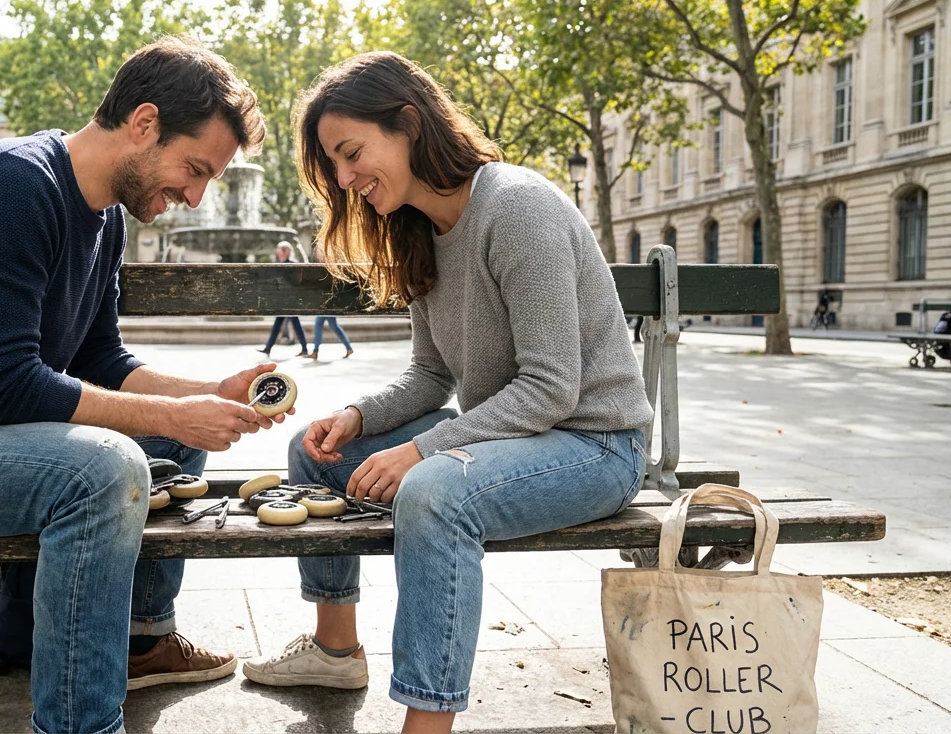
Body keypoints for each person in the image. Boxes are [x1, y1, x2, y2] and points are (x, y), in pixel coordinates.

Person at [0, 36, 286, 734]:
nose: (195, 196)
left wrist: (213, 394)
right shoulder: (13, 185)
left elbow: (102, 358)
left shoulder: (104, 219)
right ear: (143, 123)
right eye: (194, 169)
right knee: (107, 470)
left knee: (173, 434)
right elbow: (1, 386)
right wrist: (172, 412)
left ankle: (140, 642)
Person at [242, 52, 652, 734]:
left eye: (351, 154)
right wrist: (355, 416)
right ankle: (336, 648)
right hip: (519, 435)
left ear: (407, 122)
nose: (345, 179)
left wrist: (423, 450)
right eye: (335, 166)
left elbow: (552, 388)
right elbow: (432, 376)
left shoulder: (517, 208)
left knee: (433, 492)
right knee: (312, 451)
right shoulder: (421, 233)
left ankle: (426, 723)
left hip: (596, 444)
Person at [260, 241, 310, 357]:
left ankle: (304, 349)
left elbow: (297, 282)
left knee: (295, 324)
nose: (278, 253)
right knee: (277, 325)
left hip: (290, 301)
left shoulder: (292, 264)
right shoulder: (277, 264)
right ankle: (268, 348)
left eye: (280, 251)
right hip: (282, 300)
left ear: (285, 252)